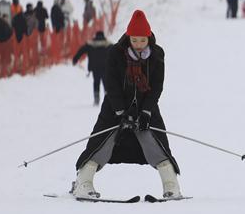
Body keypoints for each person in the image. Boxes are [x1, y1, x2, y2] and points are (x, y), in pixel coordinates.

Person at [72, 10, 182, 199]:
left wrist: (146, 112)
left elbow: (156, 87)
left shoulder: (156, 55)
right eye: (134, 40)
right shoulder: (115, 53)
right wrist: (121, 112)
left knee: (156, 143)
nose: (138, 45)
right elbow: (112, 84)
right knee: (101, 144)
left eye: (142, 40)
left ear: (149, 37)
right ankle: (83, 183)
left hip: (146, 107)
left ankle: (171, 186)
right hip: (114, 108)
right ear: (128, 37)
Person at [73, 30, 112, 105]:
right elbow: (117, 52)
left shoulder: (90, 45)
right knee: (106, 84)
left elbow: (81, 50)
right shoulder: (108, 45)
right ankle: (109, 100)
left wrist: (75, 58)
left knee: (96, 83)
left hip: (95, 68)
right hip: (106, 68)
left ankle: (96, 100)